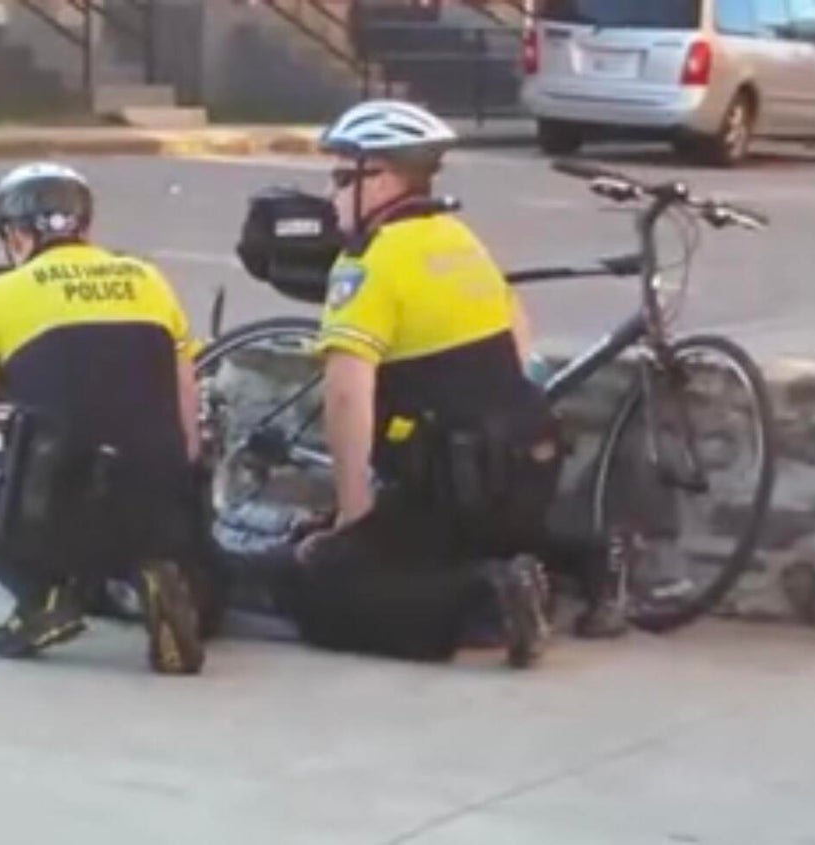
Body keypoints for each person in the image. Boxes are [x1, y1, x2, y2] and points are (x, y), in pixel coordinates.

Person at [251, 100, 629, 667]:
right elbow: (521, 343)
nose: (331, 195)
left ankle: (487, 603)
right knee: (465, 536)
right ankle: (586, 559)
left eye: (342, 178)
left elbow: (347, 395)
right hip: (525, 470)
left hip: (450, 483)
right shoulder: (459, 239)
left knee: (322, 589)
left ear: (382, 179)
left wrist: (353, 516)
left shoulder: (370, 262)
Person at [0, 162, 207, 675]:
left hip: (59, 506)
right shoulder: (149, 280)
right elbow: (188, 418)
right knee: (134, 482)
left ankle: (43, 596)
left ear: (14, 235)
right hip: (160, 504)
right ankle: (151, 570)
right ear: (84, 226)